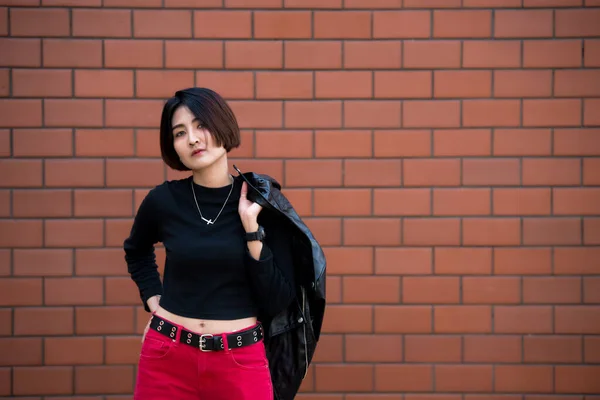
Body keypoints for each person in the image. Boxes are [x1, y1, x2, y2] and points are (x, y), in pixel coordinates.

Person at [123, 87, 326, 400]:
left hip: (240, 362)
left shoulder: (263, 204)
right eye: (180, 132)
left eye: (201, 125)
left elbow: (277, 300)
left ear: (222, 125)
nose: (192, 138)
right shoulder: (163, 201)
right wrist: (154, 301)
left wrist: (251, 231)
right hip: (167, 358)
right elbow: (136, 251)